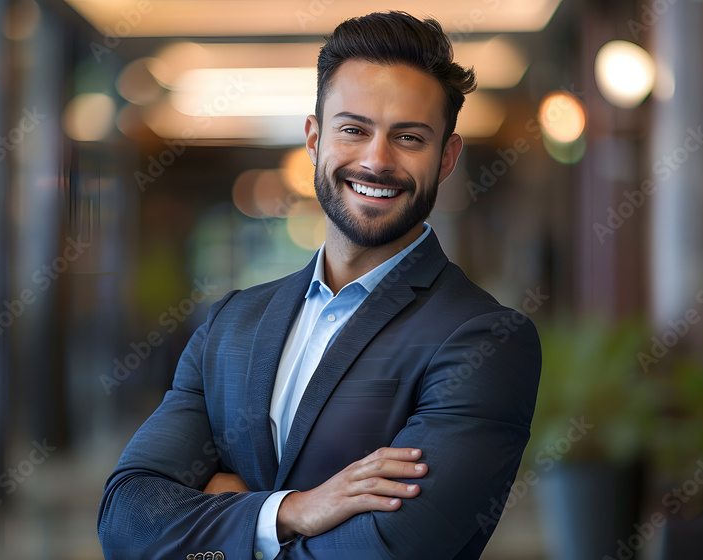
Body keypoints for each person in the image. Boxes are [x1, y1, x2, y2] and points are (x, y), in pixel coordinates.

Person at [98, 11, 541, 559]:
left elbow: (391, 550)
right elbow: (126, 517)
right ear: (314, 138)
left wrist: (228, 518)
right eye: (353, 129)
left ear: (446, 158)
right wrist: (288, 511)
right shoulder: (230, 323)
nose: (377, 160)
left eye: (409, 137)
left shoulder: (486, 339)